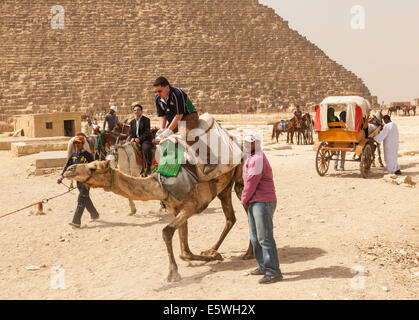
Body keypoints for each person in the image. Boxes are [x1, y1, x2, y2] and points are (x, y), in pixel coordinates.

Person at [241, 133, 283, 284]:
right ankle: (263, 266)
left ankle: (273, 272)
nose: (246, 145)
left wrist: (244, 199)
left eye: (250, 143)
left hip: (262, 201)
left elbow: (251, 182)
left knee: (265, 238)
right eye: (245, 142)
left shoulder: (257, 158)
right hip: (254, 201)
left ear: (257, 143)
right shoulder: (251, 157)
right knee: (255, 237)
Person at [57, 135, 100, 228]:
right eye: (75, 143)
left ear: (83, 144)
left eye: (78, 143)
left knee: (81, 199)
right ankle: (95, 214)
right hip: (78, 182)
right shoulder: (73, 156)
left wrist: (91, 179)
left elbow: (94, 168)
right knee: (85, 198)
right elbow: (67, 167)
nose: (76, 144)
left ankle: (76, 221)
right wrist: (61, 177)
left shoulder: (88, 156)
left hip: (86, 182)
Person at [153, 76, 199, 143]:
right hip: (174, 120)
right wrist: (162, 130)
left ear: (167, 87)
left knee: (188, 138)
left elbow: (179, 115)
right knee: (163, 140)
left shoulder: (177, 94)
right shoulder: (158, 98)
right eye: (156, 91)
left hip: (188, 117)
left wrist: (168, 131)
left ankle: (204, 152)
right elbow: (162, 116)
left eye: (160, 91)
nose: (158, 94)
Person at [129, 104, 153, 176]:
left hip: (145, 140)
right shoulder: (132, 122)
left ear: (141, 111)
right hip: (135, 140)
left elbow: (147, 132)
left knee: (146, 148)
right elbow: (131, 133)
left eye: (138, 110)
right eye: (135, 110)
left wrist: (139, 139)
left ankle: (148, 166)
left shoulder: (146, 120)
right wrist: (132, 138)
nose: (136, 111)